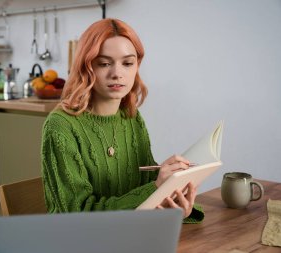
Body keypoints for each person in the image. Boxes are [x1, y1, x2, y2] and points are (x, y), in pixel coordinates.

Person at [41, 18, 203, 222]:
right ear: (86, 67)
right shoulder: (61, 126)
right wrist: (155, 188)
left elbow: (143, 182)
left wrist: (175, 200)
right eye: (104, 63)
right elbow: (76, 215)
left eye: (127, 63)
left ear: (137, 67)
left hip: (133, 232)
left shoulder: (131, 116)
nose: (117, 73)